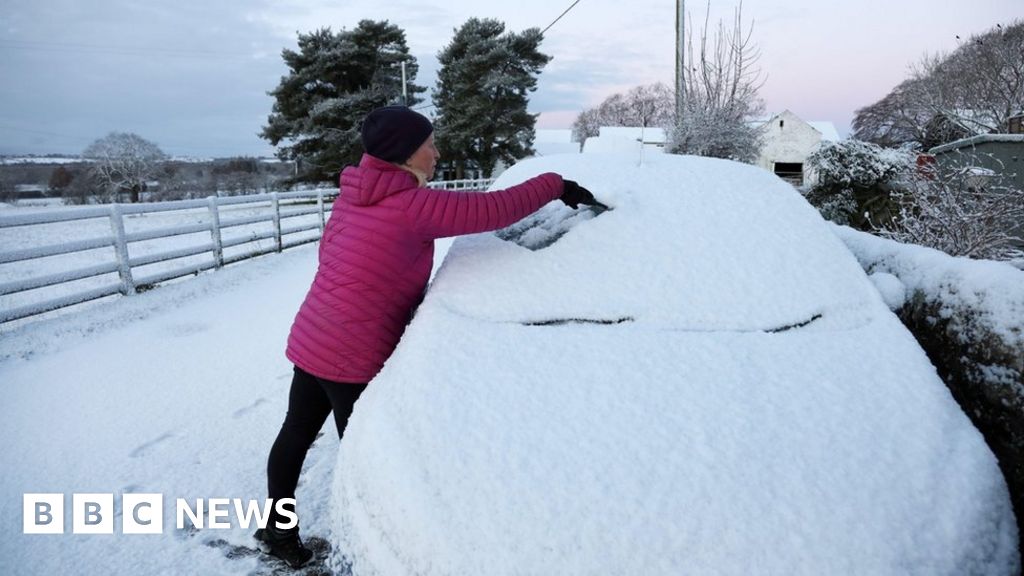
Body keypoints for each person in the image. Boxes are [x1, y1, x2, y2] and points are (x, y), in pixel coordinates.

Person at [256, 105, 603, 568]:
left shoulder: (353, 193)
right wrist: (556, 184)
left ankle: (276, 532)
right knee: (364, 452)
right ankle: (368, 546)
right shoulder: (413, 206)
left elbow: (330, 255)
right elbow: (494, 210)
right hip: (354, 354)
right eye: (429, 145)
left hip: (313, 335)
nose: (437, 153)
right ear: (404, 154)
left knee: (295, 434)